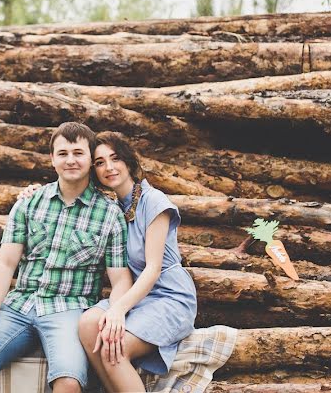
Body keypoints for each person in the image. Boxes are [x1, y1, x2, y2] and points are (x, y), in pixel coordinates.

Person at [0, 122, 131, 393]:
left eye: (78, 153)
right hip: (20, 305)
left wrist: (114, 313)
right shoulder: (28, 203)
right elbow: (5, 264)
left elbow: (121, 279)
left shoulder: (110, 214)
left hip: (69, 309)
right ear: (52, 159)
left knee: (69, 383)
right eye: (62, 153)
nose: (70, 160)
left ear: (90, 159)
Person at [19, 130, 198, 392]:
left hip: (169, 296)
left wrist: (118, 309)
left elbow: (153, 268)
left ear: (129, 161)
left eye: (115, 158)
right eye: (100, 162)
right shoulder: (114, 207)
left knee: (113, 346)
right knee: (88, 324)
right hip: (139, 297)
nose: (109, 167)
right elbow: (64, 191)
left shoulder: (154, 201)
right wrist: (34, 191)